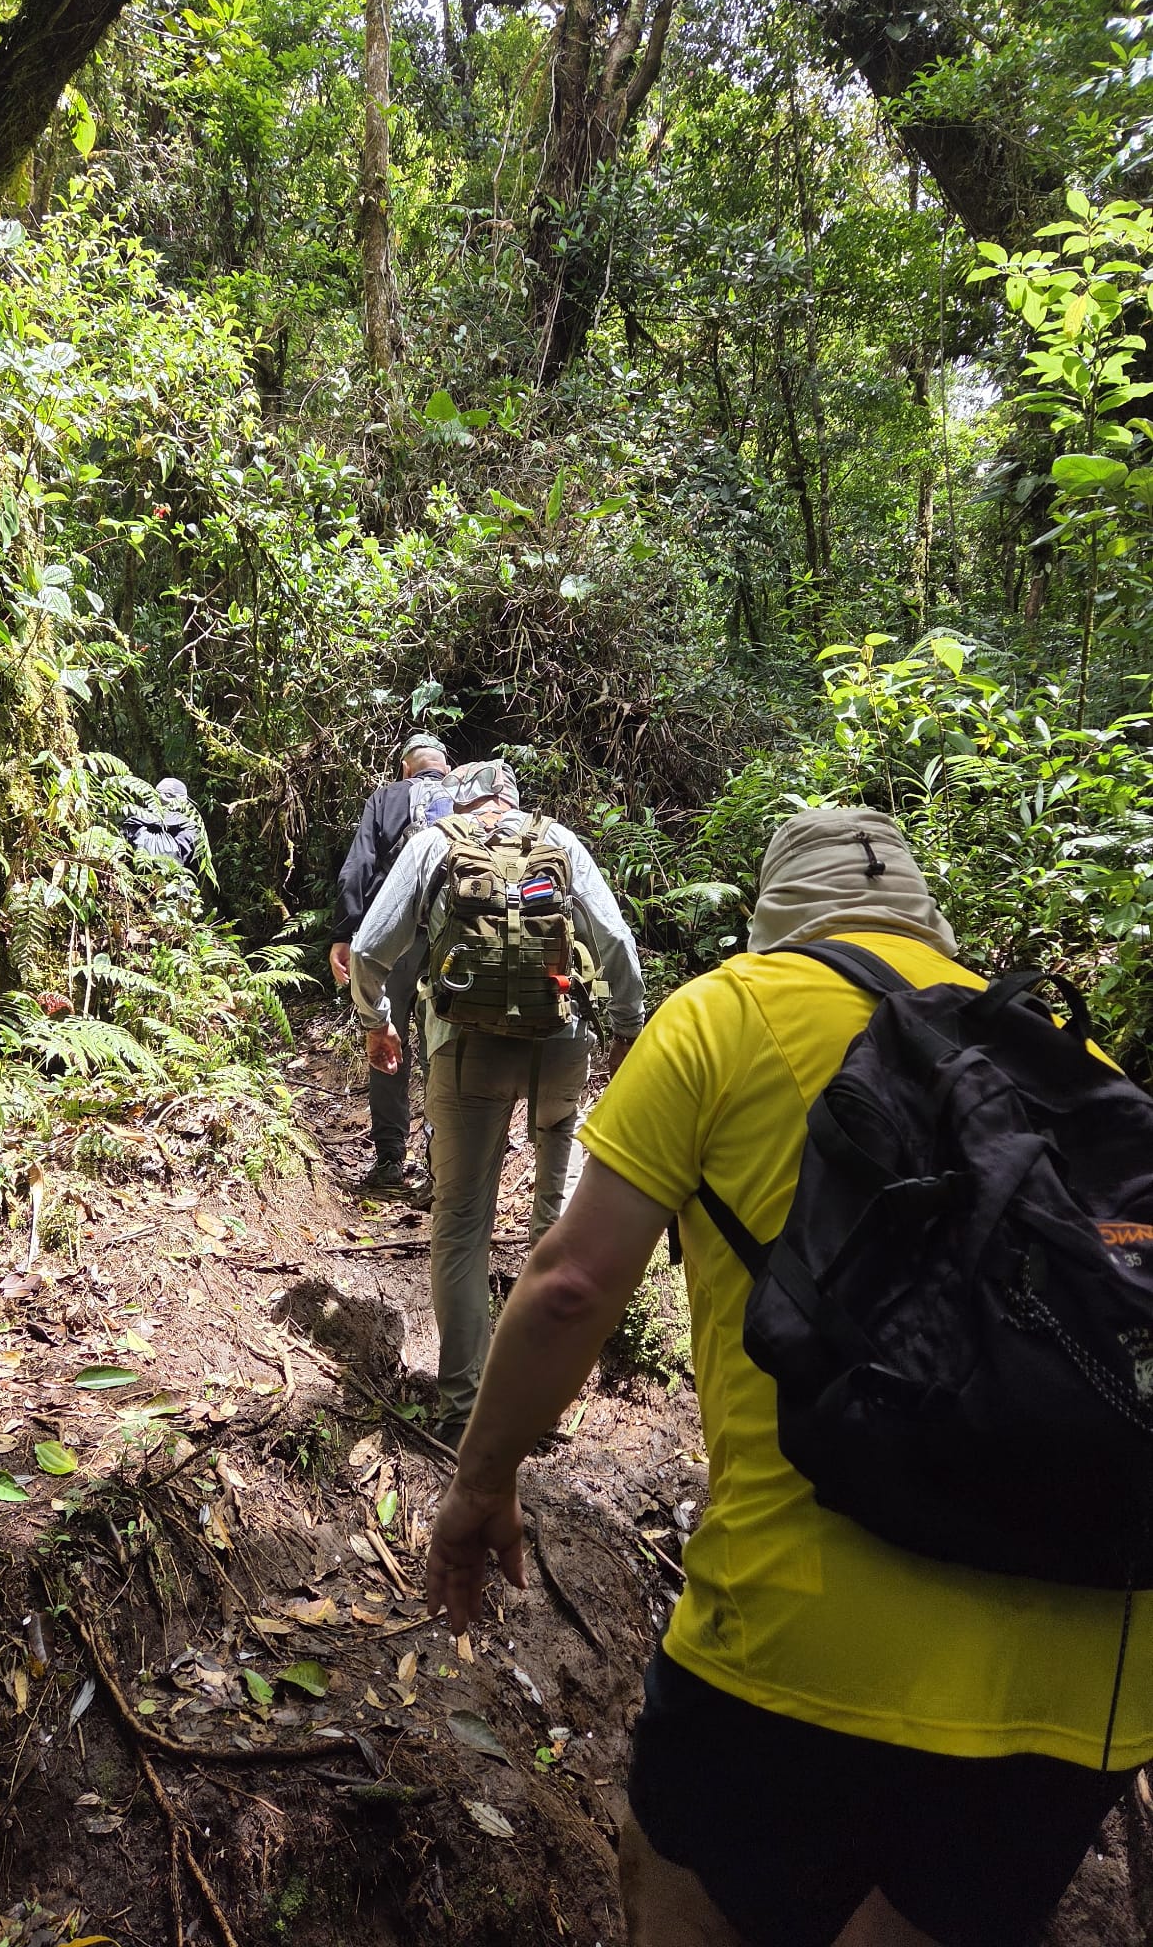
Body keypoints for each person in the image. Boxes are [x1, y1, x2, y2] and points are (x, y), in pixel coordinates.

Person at [423, 806, 1153, 1947]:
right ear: (928, 917)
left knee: (679, 1890)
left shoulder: (727, 1011)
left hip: (803, 1638)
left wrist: (479, 1482)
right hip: (1094, 1665)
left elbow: (569, 1286)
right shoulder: (1068, 1055)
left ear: (772, 920)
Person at [351, 759, 645, 1446]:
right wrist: (628, 1028)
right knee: (556, 1218)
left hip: (465, 1047)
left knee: (461, 1223)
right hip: (559, 1043)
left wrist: (377, 1021)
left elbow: (369, 948)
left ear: (460, 800)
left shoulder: (434, 843)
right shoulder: (560, 841)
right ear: (513, 800)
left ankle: (461, 1407)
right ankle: (535, 1399)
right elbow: (617, 943)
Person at [329, 732, 453, 1191]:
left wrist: (345, 933)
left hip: (393, 942)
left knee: (385, 1040)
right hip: (453, 943)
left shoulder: (387, 797)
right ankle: (444, 1166)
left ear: (405, 767)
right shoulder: (469, 797)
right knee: (445, 1049)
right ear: (443, 764)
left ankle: (389, 1162)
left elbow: (358, 866)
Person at [121, 777, 204, 873]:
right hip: (173, 884)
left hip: (137, 883)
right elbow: (195, 868)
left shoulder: (133, 822)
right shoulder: (190, 828)